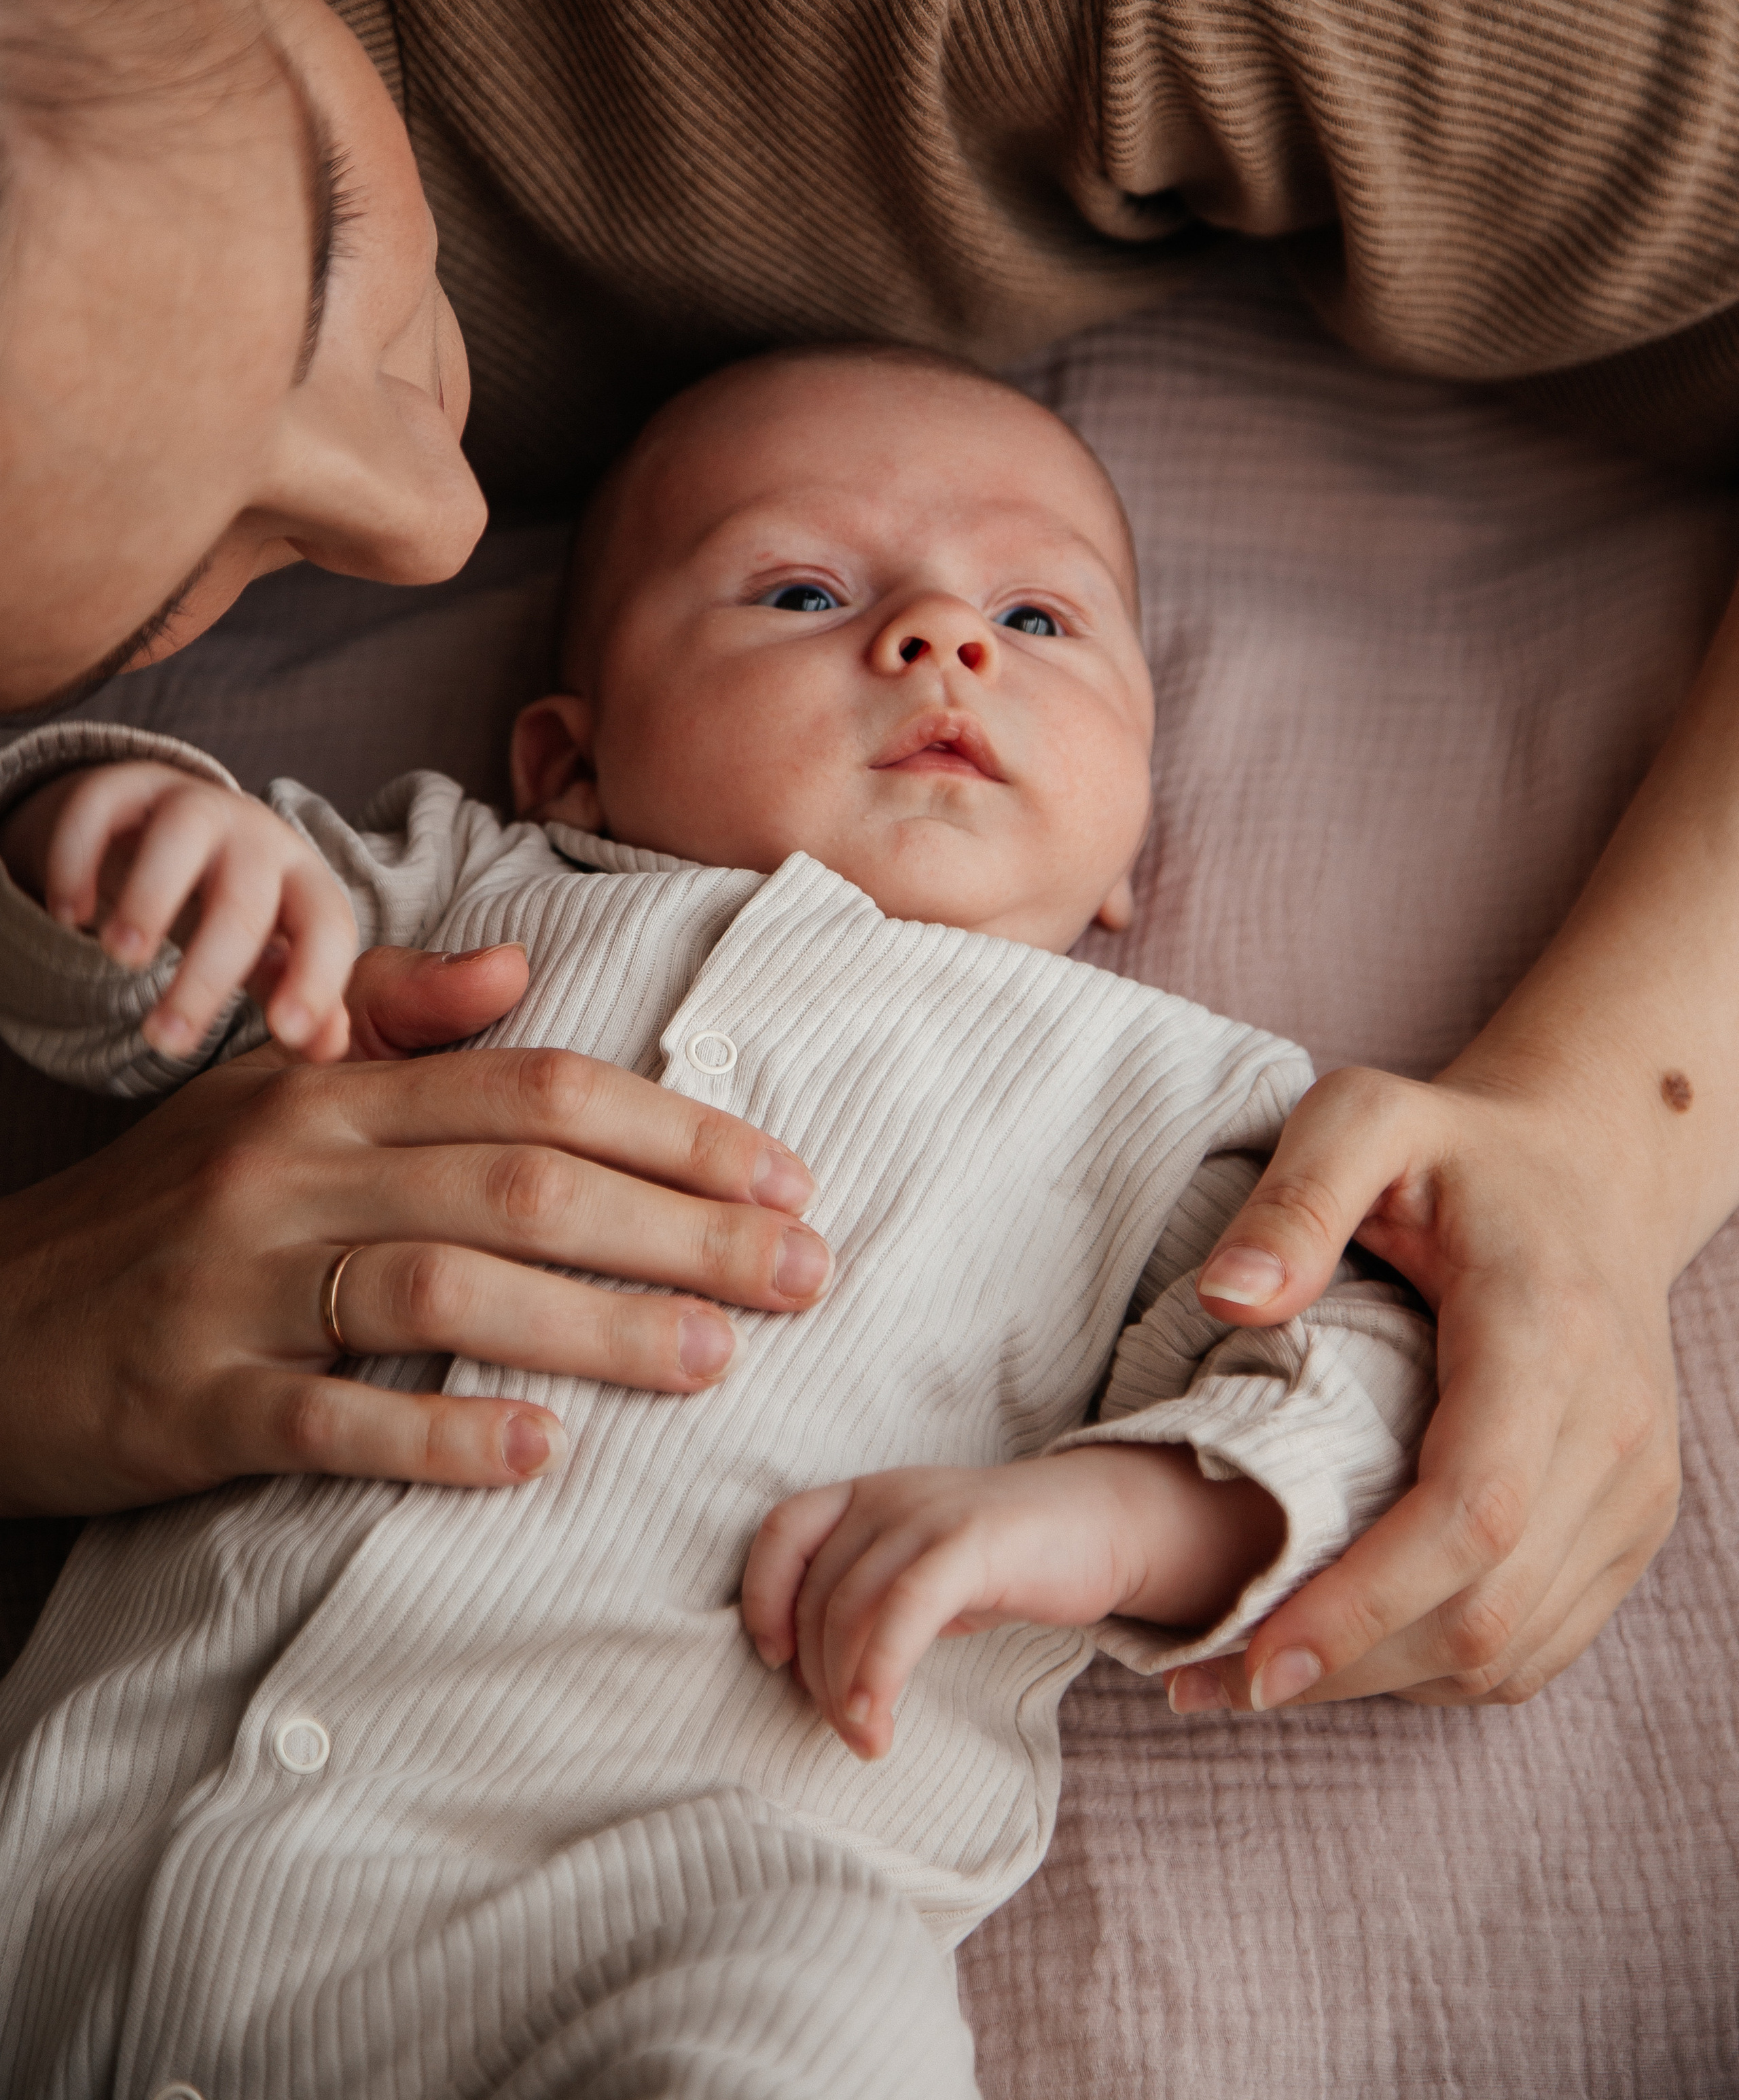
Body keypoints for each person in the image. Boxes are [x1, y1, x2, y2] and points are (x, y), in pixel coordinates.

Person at [0, 0, 1735, 1727]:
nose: (435, 527)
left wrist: (1601, 1153)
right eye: (173, 592)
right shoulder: (463, 904)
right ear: (562, 761)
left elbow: (1327, 1350)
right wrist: (118, 876)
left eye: (331, 249)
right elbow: (144, 956)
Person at [0, 353, 1435, 2096]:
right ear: (569, 763)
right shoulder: (466, 888)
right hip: (88, 1843)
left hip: (659, 1888)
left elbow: (1362, 1364)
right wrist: (116, 835)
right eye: (805, 592)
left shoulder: (1157, 1093)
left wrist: (1127, 1518)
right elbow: (148, 994)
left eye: (1036, 618)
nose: (940, 639)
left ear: (1129, 837)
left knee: (819, 1996)